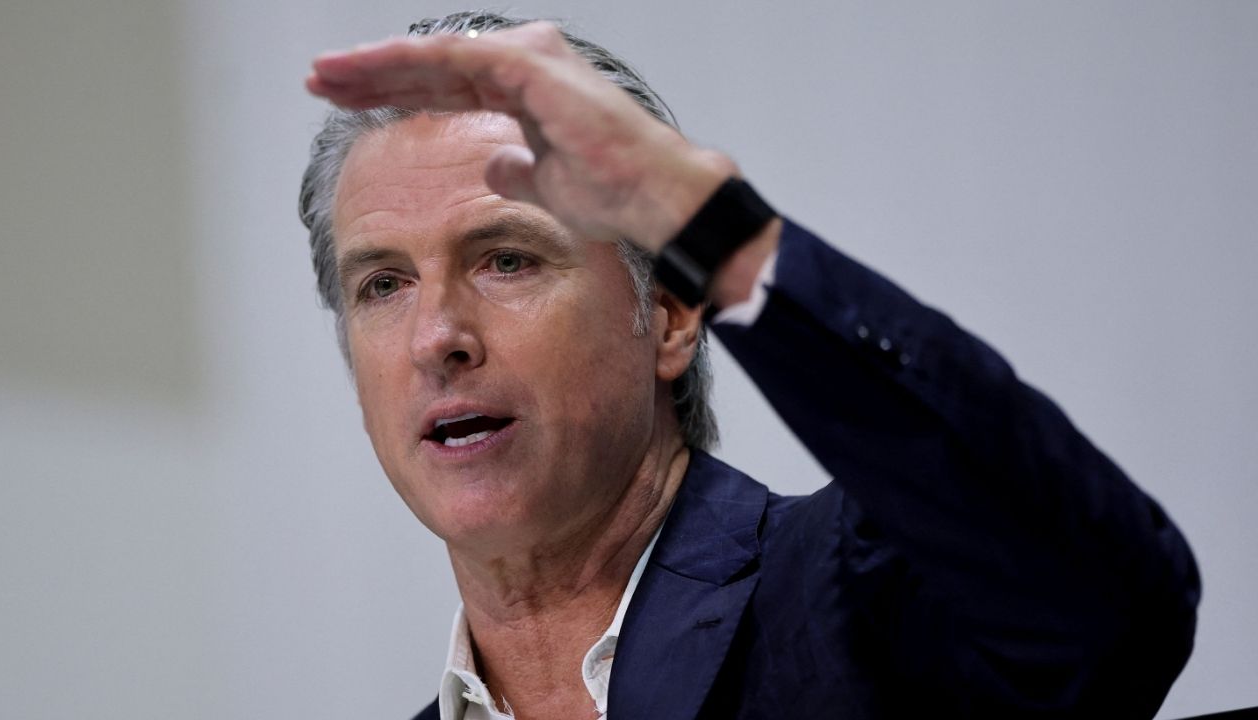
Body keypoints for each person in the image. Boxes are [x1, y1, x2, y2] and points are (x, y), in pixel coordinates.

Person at [300, 11, 1200, 720]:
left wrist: (717, 236)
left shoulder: (855, 601)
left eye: (508, 259)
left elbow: (1112, 606)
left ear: (674, 315)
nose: (436, 336)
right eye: (383, 285)